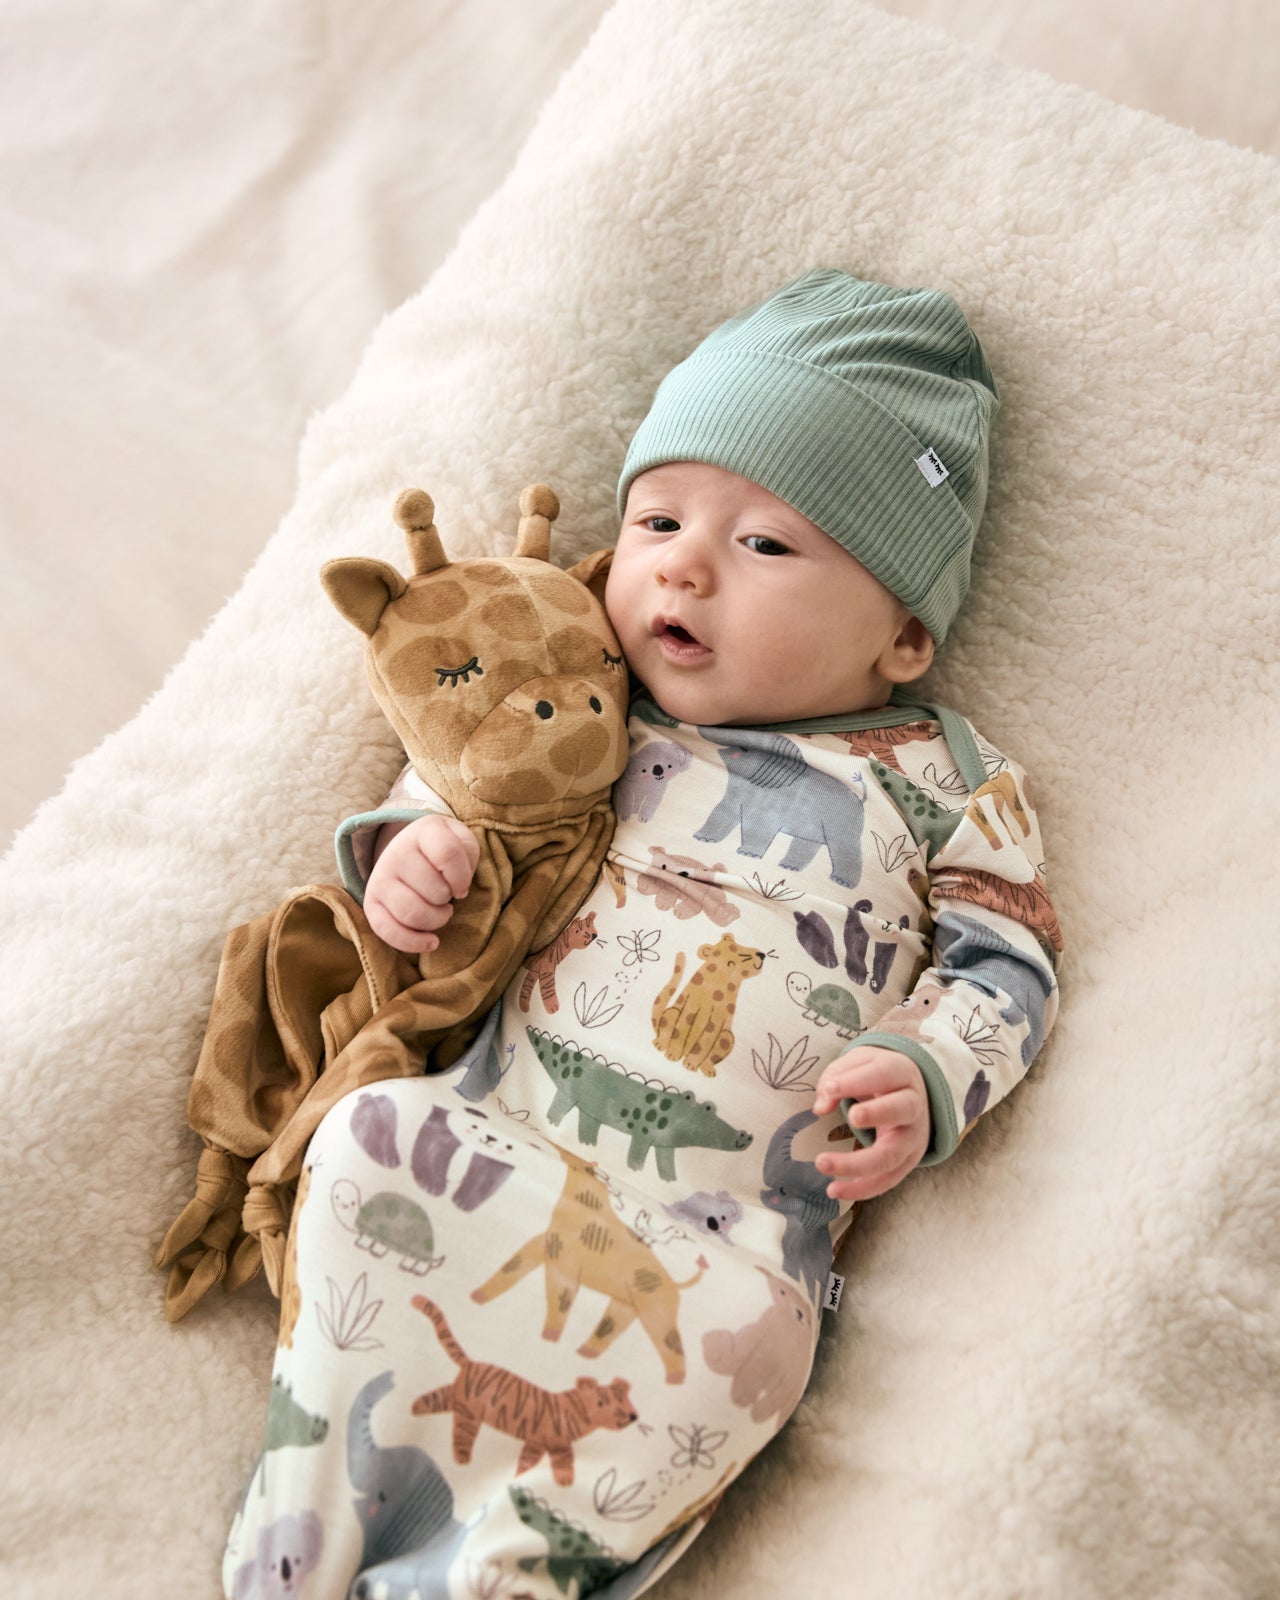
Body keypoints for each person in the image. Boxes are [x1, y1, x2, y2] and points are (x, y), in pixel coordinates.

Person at [224, 270, 1060, 1600]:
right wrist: (415, 854)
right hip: (490, 1148)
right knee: (368, 1133)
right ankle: (300, 1531)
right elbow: (470, 768)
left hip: (716, 1246)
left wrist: (929, 1065)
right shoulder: (594, 694)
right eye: (658, 518)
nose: (680, 563)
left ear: (903, 633)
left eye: (765, 545)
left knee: (759, 1346)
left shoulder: (945, 783)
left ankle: (501, 1574)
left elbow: (1007, 961)